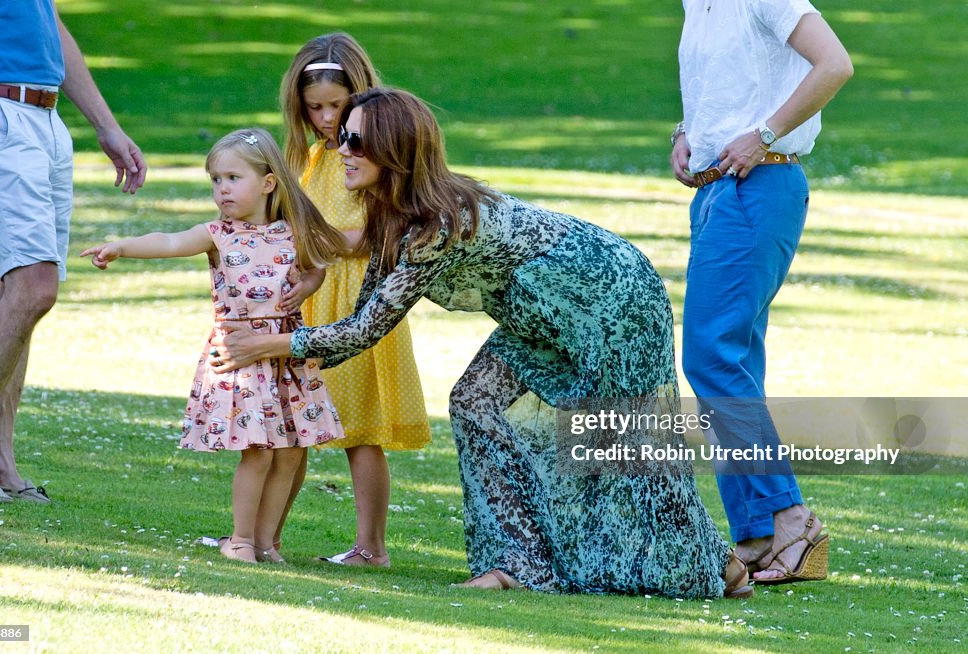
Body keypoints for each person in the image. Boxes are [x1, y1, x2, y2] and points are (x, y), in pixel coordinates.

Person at [210, 88, 753, 598]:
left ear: (393, 150)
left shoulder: (436, 222)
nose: (341, 148)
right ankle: (514, 568)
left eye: (356, 139)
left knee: (622, 442)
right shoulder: (395, 211)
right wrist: (309, 284)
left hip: (612, 300)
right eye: (343, 136)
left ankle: (716, 564)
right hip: (543, 315)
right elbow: (365, 308)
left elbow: (367, 329)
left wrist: (270, 345)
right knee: (476, 400)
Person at [80, 129, 348, 563]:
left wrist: (308, 283)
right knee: (259, 451)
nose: (221, 188)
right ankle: (241, 540)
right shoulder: (216, 234)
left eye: (231, 178)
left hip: (285, 356)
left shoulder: (292, 231)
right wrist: (122, 247)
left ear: (267, 182)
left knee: (290, 453)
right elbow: (167, 242)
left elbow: (318, 264)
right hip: (242, 355)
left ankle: (267, 543)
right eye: (215, 180)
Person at [671, 0, 853, 583]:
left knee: (710, 356)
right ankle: (755, 532)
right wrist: (685, 133)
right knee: (735, 360)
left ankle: (792, 516)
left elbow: (835, 64)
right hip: (718, 191)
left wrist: (763, 133)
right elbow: (728, 87)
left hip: (760, 182)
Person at [0, 1, 146, 503]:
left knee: (17, 290)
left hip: (45, 119)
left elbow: (51, 31)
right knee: (34, 287)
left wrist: (105, 124)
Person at [279, 32, 431, 567]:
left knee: (357, 431)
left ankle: (372, 547)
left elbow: (380, 234)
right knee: (290, 424)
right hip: (313, 302)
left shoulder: (377, 156)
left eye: (335, 107)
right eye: (313, 107)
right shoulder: (317, 159)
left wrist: (314, 243)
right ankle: (263, 539)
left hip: (362, 304)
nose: (324, 119)